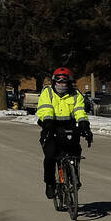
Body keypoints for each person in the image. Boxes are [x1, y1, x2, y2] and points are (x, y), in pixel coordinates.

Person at [37, 67, 93, 199]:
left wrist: (84, 123)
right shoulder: (47, 92)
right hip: (51, 125)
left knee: (75, 152)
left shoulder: (75, 94)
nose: (62, 85)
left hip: (69, 125)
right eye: (59, 82)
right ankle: (50, 183)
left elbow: (79, 109)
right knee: (50, 155)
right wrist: (48, 121)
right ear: (54, 82)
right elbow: (45, 108)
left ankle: (74, 177)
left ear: (69, 83)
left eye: (64, 82)